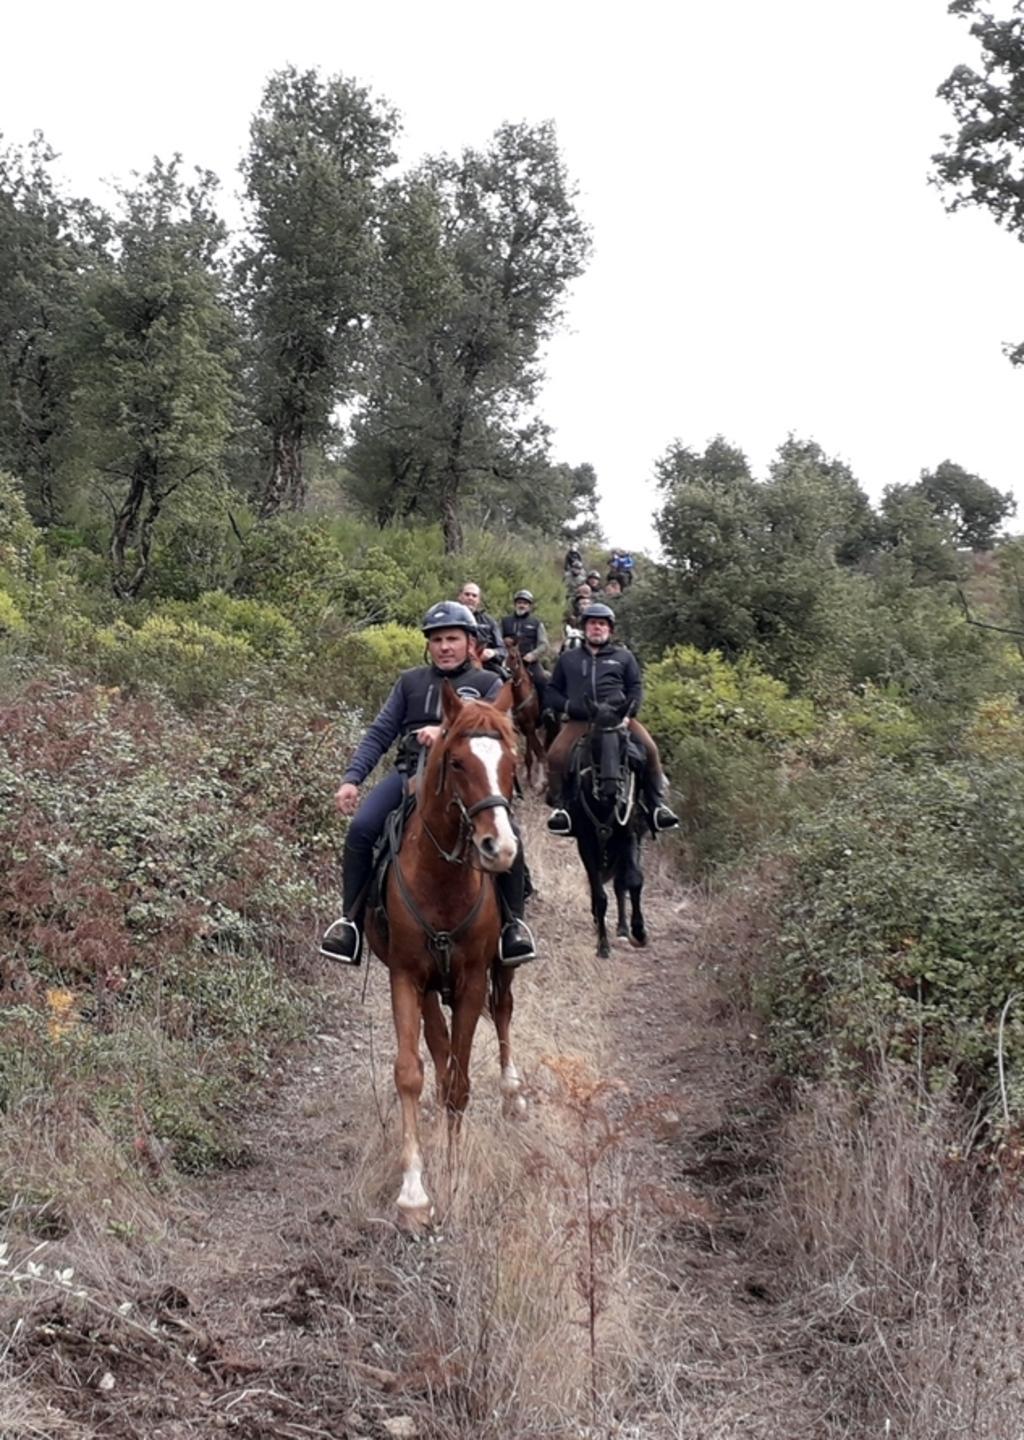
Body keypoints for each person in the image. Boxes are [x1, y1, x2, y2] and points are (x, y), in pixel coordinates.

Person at [319, 601, 537, 967]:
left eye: (452, 638)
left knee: (509, 832)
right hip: (408, 774)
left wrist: (448, 731)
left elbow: (496, 731)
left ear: (470, 642)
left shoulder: (487, 683)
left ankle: (513, 925)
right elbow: (380, 733)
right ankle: (350, 926)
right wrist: (352, 779)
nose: (444, 647)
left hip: (467, 782)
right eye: (437, 639)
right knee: (361, 829)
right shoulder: (410, 682)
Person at [544, 603, 679, 836]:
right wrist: (569, 706)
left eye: (602, 624)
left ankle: (657, 806)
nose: (597, 627)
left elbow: (635, 689)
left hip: (617, 719)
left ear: (610, 630)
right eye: (592, 623)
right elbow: (552, 691)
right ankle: (562, 808)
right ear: (585, 627)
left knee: (650, 749)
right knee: (555, 755)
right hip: (581, 720)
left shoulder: (624, 657)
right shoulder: (568, 659)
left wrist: (628, 714)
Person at [500, 590, 549, 693]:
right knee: (494, 678)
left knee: (542, 680)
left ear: (529, 606)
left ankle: (544, 708)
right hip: (508, 661)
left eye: (525, 603)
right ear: (515, 604)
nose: (522, 605)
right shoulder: (505, 621)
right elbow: (497, 640)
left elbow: (544, 644)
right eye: (519, 602)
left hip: (529, 662)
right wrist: (503, 643)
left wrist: (532, 655)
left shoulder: (536, 623)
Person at [457, 582, 506, 673]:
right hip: (454, 665)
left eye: (474, 596)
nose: (470, 598)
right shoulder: (450, 619)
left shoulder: (489, 622)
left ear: (478, 600)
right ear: (460, 596)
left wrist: (492, 653)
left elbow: (502, 650)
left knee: (505, 679)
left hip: (486, 667)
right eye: (467, 594)